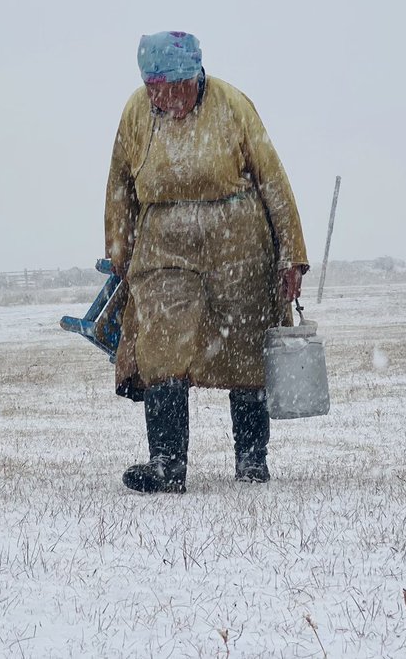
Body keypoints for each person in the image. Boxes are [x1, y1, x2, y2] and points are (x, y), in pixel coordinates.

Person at [105, 31, 310, 493]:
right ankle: (167, 465)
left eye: (173, 87)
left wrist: (290, 255)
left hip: (237, 245)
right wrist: (118, 250)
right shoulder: (136, 112)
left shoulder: (233, 105)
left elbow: (273, 181)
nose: (164, 97)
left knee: (244, 350)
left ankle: (252, 460)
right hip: (163, 248)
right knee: (161, 346)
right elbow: (119, 182)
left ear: (194, 76)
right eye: (154, 87)